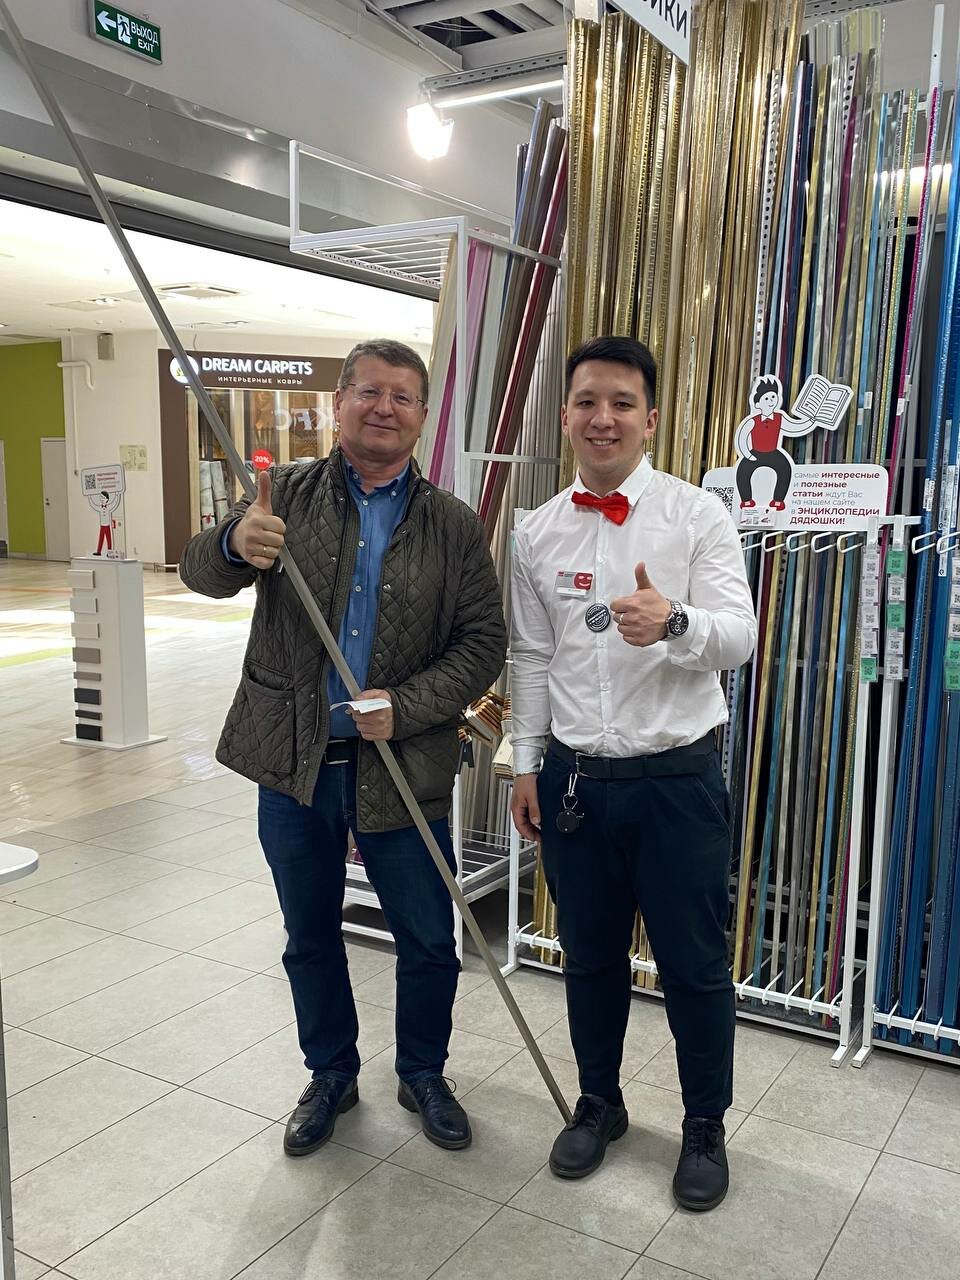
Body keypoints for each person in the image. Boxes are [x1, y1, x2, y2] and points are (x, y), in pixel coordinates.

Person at [181, 339, 506, 1158]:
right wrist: (233, 544)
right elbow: (199, 573)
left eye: (402, 396)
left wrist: (408, 706)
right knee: (310, 935)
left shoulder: (452, 524)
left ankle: (423, 1072)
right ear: (339, 403)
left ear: (422, 416)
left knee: (428, 937)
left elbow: (482, 643)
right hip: (294, 765)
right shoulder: (282, 496)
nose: (384, 408)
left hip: (403, 763)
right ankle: (330, 1073)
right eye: (369, 391)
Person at [510, 335, 756, 1211]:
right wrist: (526, 763)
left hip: (678, 782)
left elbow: (741, 636)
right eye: (587, 401)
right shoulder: (535, 530)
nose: (603, 418)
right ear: (566, 415)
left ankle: (704, 1125)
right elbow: (531, 655)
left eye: (621, 402)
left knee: (694, 965)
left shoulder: (696, 516)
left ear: (650, 418)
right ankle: (599, 1103)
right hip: (577, 783)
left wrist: (676, 622)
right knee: (589, 959)